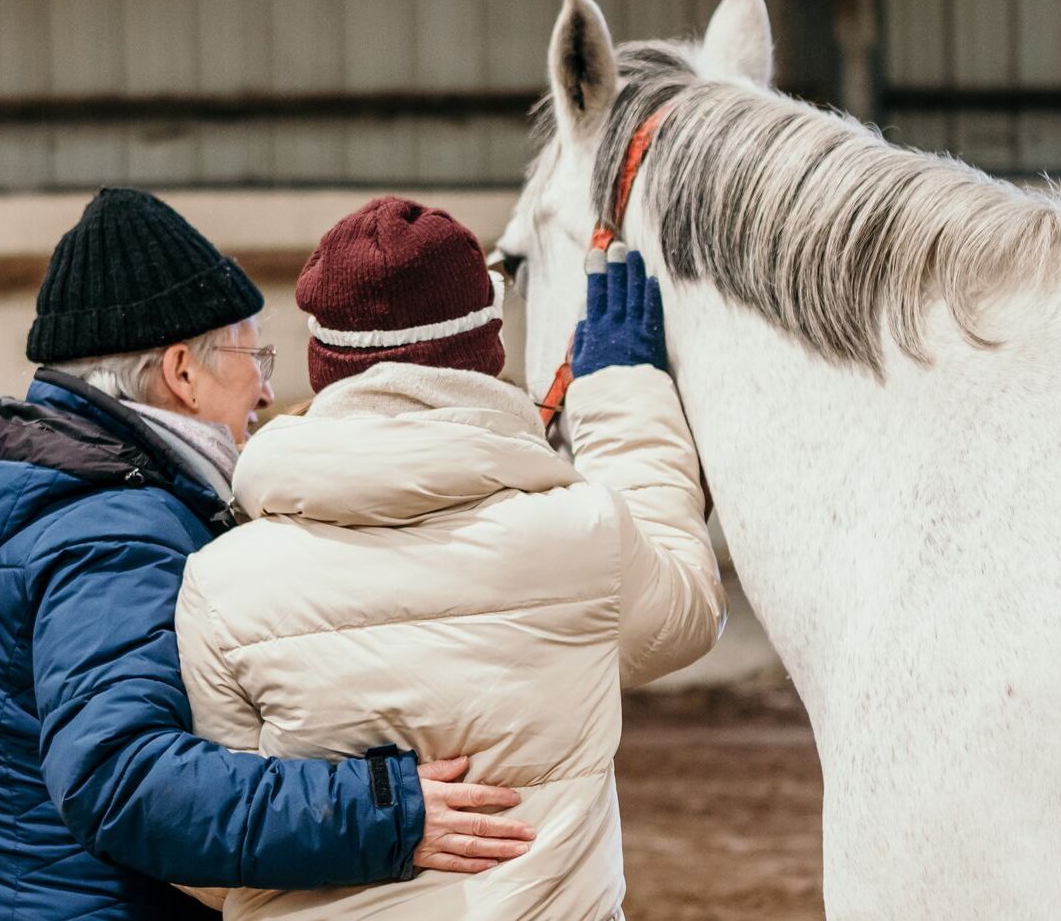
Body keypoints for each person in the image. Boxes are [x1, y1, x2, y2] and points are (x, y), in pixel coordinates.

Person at [0, 188, 534, 921]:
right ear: (182, 372)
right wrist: (381, 811)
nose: (268, 389)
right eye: (253, 354)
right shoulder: (111, 534)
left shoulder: (79, 501)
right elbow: (122, 778)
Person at [176, 196, 727, 919]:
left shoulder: (221, 581)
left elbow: (221, 853)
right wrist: (620, 397)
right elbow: (684, 613)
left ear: (323, 363)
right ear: (486, 348)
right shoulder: (580, 534)